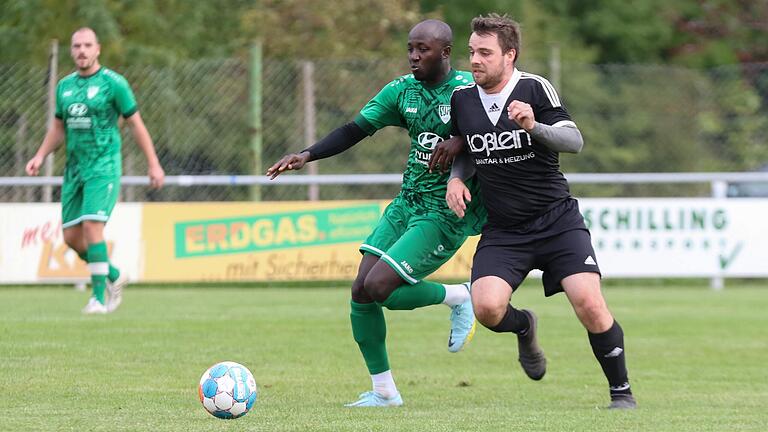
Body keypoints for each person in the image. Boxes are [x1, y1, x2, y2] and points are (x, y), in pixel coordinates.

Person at [266, 19, 485, 407]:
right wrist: (307, 155)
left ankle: (459, 296)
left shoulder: (470, 91)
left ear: (446, 52)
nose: (415, 56)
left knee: (381, 287)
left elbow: (496, 129)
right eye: (411, 49)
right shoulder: (402, 92)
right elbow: (355, 129)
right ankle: (384, 391)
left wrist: (462, 140)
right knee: (361, 292)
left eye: (424, 49)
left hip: (445, 211)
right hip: (407, 202)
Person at [433, 14, 637, 409]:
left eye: (485, 53)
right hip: (505, 229)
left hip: (556, 222)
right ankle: (525, 326)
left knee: (590, 305)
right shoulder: (462, 99)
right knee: (487, 308)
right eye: (472, 51)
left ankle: (621, 393)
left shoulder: (533, 88)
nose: (474, 60)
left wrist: (533, 127)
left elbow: (574, 141)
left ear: (510, 55)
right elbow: (467, 149)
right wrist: (455, 179)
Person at [26, 27, 165, 314]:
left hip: (103, 167)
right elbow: (57, 128)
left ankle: (99, 298)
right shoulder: (64, 86)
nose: (82, 51)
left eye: (88, 45)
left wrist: (153, 163)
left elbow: (137, 125)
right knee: (71, 239)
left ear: (98, 49)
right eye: (77, 46)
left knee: (92, 227)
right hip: (74, 169)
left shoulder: (114, 84)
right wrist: (40, 155)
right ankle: (114, 274)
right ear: (71, 50)